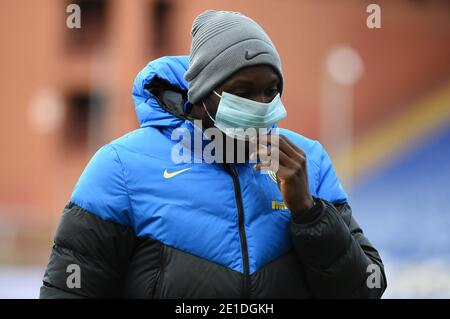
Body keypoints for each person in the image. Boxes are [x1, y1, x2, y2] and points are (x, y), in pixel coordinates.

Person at [40, 10, 386, 299]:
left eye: (271, 90)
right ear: (203, 93)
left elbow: (365, 288)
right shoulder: (120, 167)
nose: (262, 105)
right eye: (242, 91)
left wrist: (308, 213)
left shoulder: (308, 160)